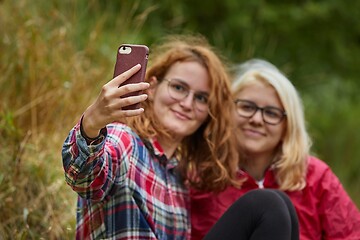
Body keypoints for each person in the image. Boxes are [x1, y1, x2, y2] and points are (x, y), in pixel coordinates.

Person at [62, 35, 241, 239]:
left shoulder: (179, 181)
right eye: (178, 88)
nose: (187, 103)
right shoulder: (125, 141)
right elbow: (82, 178)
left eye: (201, 98)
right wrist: (91, 125)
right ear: (153, 88)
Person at [190, 59, 360, 240]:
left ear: (288, 125)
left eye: (271, 113)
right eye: (247, 107)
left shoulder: (315, 178)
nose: (256, 119)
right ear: (227, 112)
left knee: (279, 205)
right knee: (268, 205)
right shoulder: (202, 174)